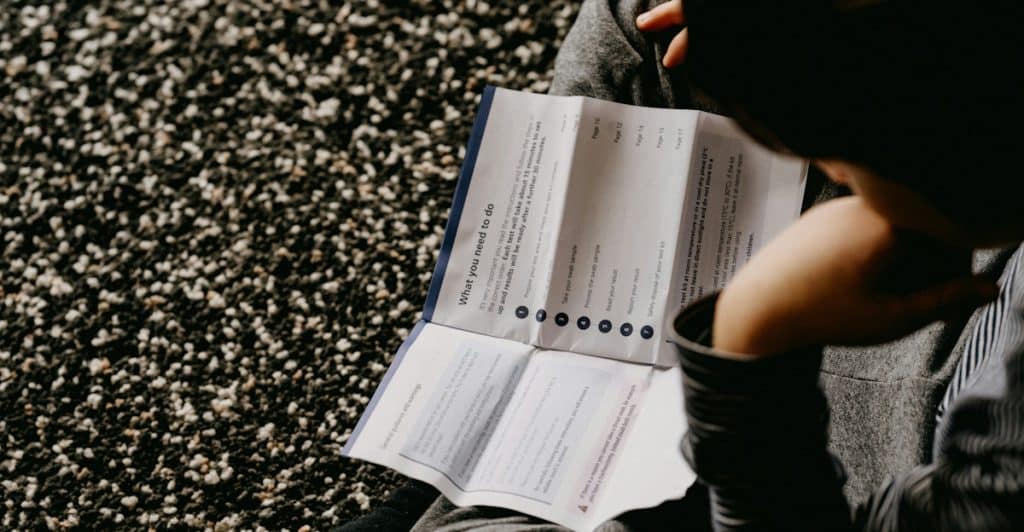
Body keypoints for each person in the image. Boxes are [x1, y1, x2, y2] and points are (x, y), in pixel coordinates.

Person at [341, 0, 1024, 529]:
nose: (826, 165)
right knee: (646, 25)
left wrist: (752, 337)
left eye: (828, 147)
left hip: (849, 463)